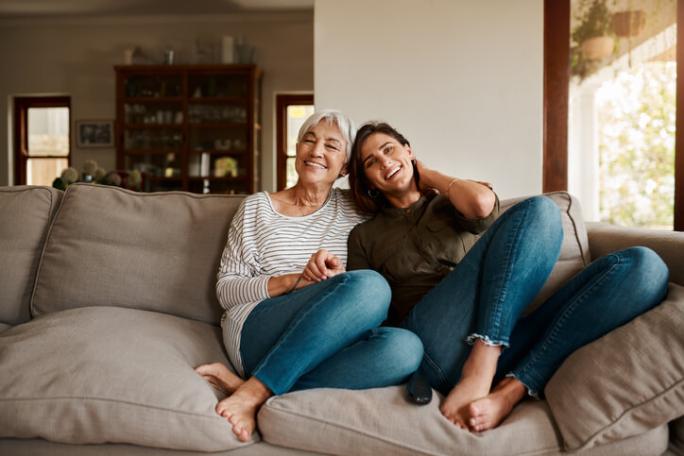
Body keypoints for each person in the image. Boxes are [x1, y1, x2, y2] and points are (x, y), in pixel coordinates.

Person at [338, 121, 669, 432]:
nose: (384, 161)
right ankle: (483, 361)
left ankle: (512, 386)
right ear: (367, 181)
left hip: (503, 332)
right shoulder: (364, 236)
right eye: (371, 161)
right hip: (435, 345)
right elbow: (368, 314)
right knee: (540, 211)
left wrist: (431, 176)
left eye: (390, 148)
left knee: (644, 267)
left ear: (409, 151)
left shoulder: (452, 201)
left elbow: (482, 204)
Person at [194, 112, 424, 442]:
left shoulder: (359, 209)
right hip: (258, 331)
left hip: (321, 342)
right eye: (309, 140)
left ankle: (255, 388)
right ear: (297, 149)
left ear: (346, 167)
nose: (316, 151)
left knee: (406, 349)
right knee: (370, 286)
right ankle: (257, 388)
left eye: (331, 145)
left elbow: (407, 187)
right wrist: (293, 282)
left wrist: (339, 287)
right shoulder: (257, 208)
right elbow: (226, 290)